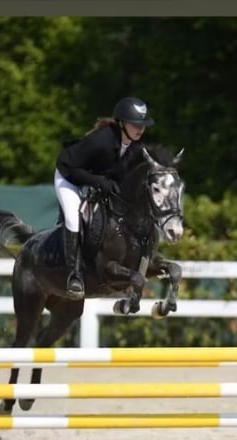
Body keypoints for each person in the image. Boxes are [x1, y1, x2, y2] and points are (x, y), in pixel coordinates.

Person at [53, 96, 155, 299]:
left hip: (96, 181)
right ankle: (74, 275)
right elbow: (68, 165)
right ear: (122, 123)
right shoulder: (102, 140)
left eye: (142, 125)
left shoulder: (135, 146)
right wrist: (98, 182)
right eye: (135, 124)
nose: (140, 129)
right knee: (74, 217)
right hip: (69, 177)